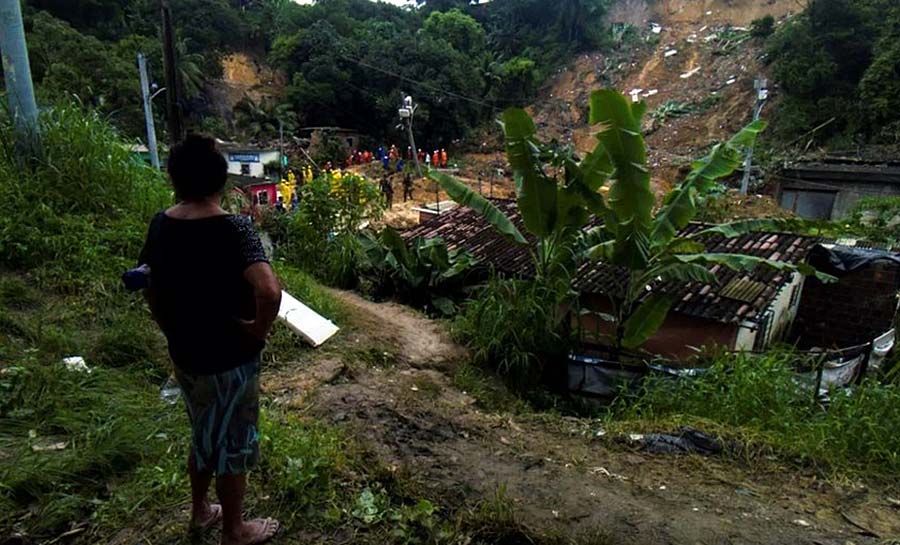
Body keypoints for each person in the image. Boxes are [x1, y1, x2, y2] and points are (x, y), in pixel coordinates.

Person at [138, 135, 281, 545]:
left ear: (175, 179)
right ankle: (234, 531)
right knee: (233, 440)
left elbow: (148, 282)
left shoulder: (161, 224)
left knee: (202, 429)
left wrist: (166, 326)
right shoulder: (236, 228)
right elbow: (268, 290)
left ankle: (202, 511)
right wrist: (258, 329)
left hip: (185, 351)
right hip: (231, 357)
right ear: (220, 179)